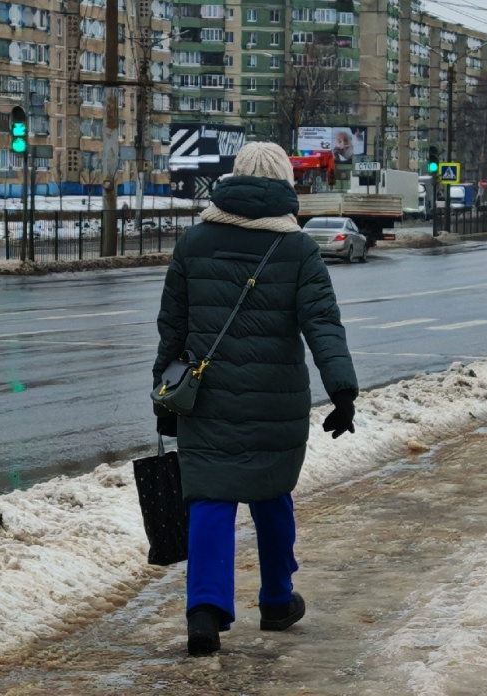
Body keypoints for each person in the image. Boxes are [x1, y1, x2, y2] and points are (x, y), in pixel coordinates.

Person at [152, 141, 358, 657]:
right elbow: (323, 326)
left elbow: (172, 329)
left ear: (234, 178)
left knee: (210, 499)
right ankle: (276, 601)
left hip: (205, 400)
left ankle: (205, 611)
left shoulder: (194, 242)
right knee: (271, 493)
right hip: (276, 400)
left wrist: (163, 393)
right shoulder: (299, 249)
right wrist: (342, 391)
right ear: (284, 184)